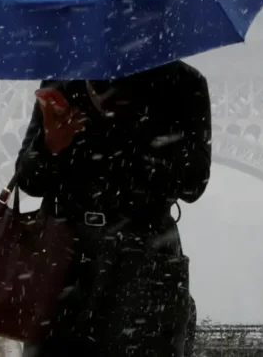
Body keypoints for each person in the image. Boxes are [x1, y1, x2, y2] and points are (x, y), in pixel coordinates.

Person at [15, 60, 212, 357]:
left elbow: (193, 183)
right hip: (69, 264)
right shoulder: (62, 82)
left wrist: (136, 122)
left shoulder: (182, 83)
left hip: (142, 265)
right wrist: (50, 146)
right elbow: (29, 180)